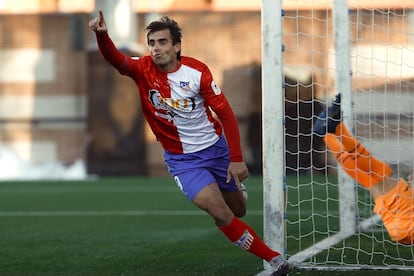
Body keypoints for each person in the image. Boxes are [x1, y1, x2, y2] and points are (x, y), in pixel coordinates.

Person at [89, 11, 293, 275]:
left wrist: (236, 158)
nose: (156, 48)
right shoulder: (142, 70)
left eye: (162, 42)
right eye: (152, 43)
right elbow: (117, 60)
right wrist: (102, 35)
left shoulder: (197, 72)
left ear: (177, 46)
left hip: (215, 149)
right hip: (182, 161)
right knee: (219, 213)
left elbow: (226, 113)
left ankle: (237, 190)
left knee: (238, 210)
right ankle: (275, 260)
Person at [313, 94, 414, 244]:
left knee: (378, 174)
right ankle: (331, 131)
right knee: (373, 176)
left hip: (407, 222)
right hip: (401, 228)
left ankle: (330, 131)